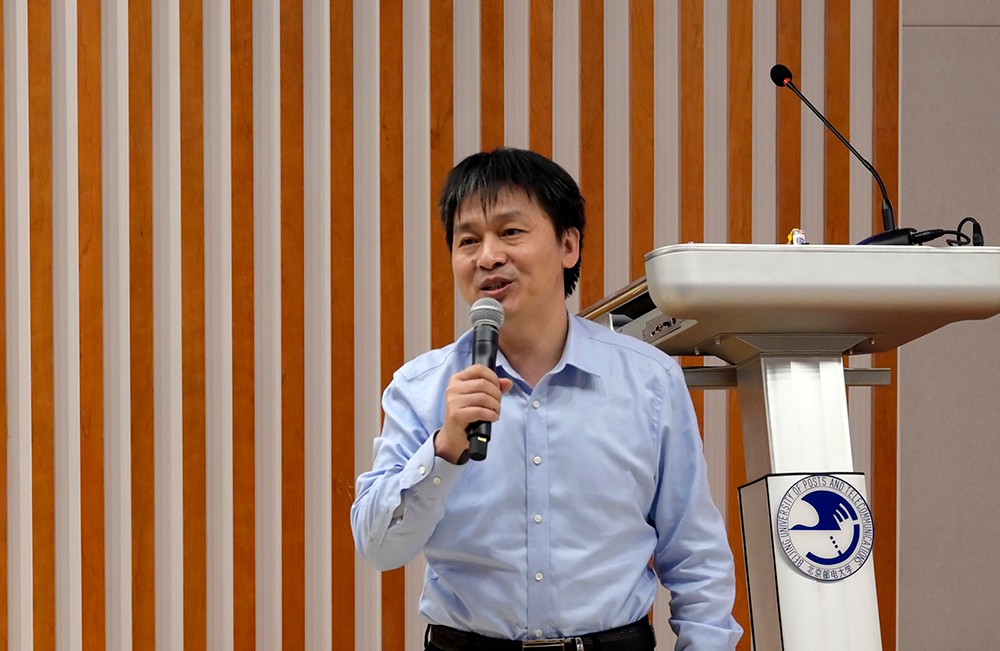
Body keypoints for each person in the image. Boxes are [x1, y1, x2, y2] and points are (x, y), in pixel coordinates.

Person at [352, 148, 742, 650]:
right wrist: (444, 449)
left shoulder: (649, 381)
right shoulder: (420, 388)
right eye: (468, 240)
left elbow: (694, 554)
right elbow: (379, 548)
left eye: (510, 232)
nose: (488, 256)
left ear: (568, 245)